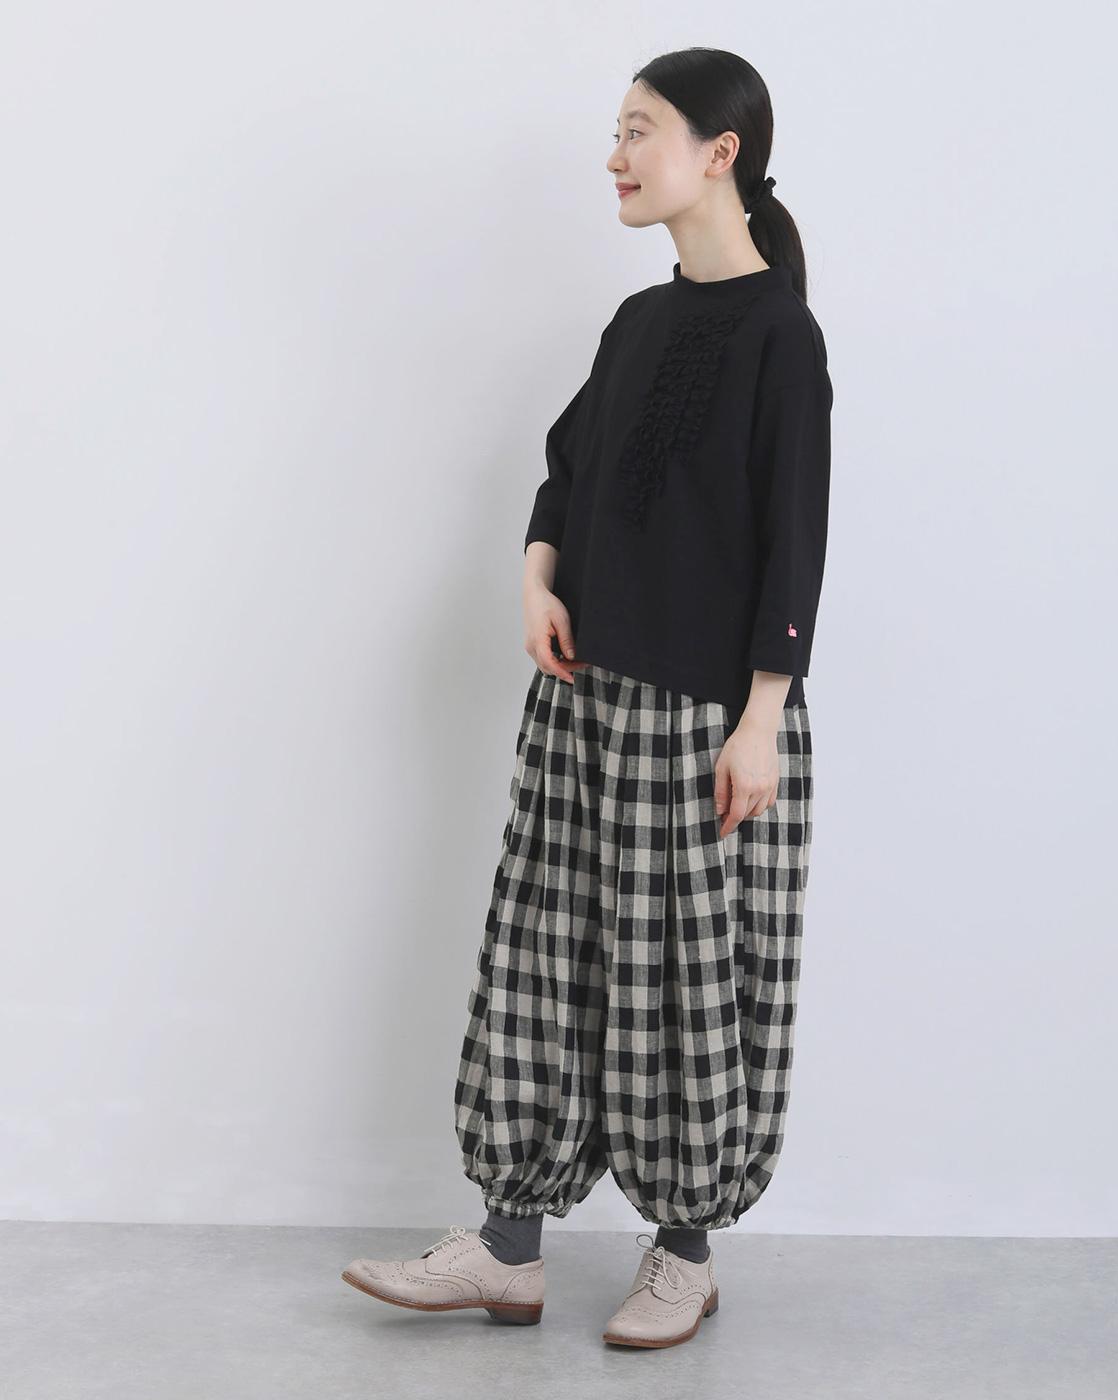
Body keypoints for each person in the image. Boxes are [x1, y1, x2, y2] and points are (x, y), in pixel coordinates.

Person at [342, 45, 833, 1350]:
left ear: (720, 152)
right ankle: (506, 1251)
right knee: (541, 962)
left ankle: (685, 1254)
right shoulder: (637, 323)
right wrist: (536, 578)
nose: (613, 156)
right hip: (583, 704)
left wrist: (762, 718)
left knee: (688, 987)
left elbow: (794, 543)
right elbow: (567, 472)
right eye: (615, 130)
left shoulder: (782, 337)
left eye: (637, 129)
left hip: (707, 721)